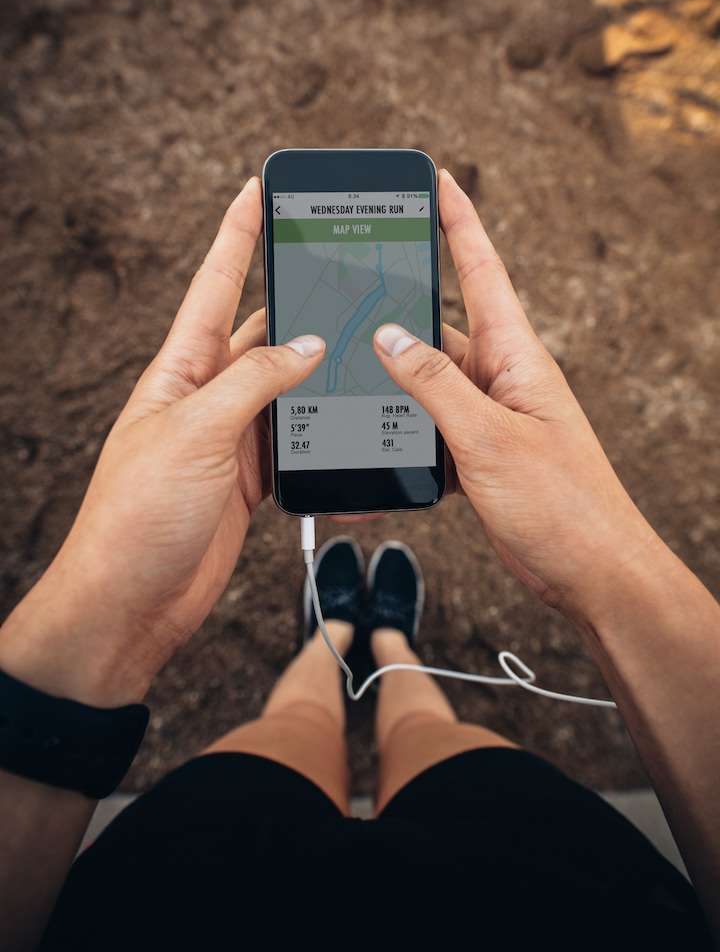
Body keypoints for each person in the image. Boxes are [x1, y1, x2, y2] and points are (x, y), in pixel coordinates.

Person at [0, 170, 717, 951]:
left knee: (293, 728)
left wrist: (113, 618)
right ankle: (383, 647)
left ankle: (336, 639)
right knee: (448, 751)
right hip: (545, 894)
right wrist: (605, 561)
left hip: (201, 893)